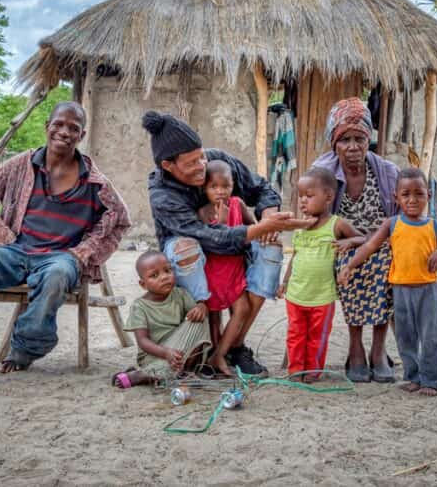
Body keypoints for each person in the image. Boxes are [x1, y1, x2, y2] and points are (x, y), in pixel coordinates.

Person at [0, 102, 130, 391]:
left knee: (56, 276)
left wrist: (83, 253)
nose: (64, 132)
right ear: (47, 126)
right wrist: (2, 237)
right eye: (59, 124)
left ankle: (28, 345)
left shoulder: (94, 181)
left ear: (82, 135)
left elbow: (120, 219)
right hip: (16, 251)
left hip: (59, 258)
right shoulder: (22, 165)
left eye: (73, 128)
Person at [142, 110, 307, 376]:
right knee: (187, 249)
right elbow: (207, 237)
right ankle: (204, 347)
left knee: (271, 246)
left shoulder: (217, 161)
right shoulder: (162, 194)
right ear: (168, 166)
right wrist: (257, 229)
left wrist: (267, 217)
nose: (201, 166)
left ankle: (235, 345)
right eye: (191, 163)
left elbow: (261, 188)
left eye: (201, 157)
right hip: (194, 252)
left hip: (232, 244)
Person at [338, 167, 437, 396]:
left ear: (428, 195)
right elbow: (369, 246)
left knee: (431, 337)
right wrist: (350, 266)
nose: (412, 200)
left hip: (428, 290)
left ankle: (431, 380)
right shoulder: (391, 224)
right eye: (406, 194)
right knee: (405, 337)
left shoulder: (434, 226)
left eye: (419, 193)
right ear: (395, 197)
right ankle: (413, 377)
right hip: (400, 291)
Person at [312, 97, 399, 384]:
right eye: (344, 140)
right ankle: (355, 348)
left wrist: (374, 242)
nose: (352, 147)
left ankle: (378, 349)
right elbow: (313, 218)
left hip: (382, 242)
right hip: (341, 245)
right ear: (333, 143)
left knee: (383, 260)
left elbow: (399, 222)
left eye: (359, 139)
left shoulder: (387, 172)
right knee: (350, 261)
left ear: (368, 140)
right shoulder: (321, 173)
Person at [277, 167, 362, 381]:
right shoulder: (300, 227)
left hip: (322, 297)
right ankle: (295, 370)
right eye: (300, 196)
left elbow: (365, 239)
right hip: (296, 294)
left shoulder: (337, 224)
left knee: (318, 336)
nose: (303, 201)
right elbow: (295, 257)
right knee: (295, 335)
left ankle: (313, 370)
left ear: (328, 197)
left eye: (309, 195)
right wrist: (285, 282)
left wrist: (349, 241)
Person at [112, 251, 211, 388]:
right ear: (143, 284)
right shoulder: (139, 306)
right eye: (154, 275)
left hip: (178, 350)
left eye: (167, 270)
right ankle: (144, 374)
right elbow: (142, 341)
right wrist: (165, 353)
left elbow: (194, 322)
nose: (164, 277)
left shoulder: (180, 294)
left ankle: (179, 371)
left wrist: (201, 307)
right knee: (166, 360)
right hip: (154, 354)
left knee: (199, 319)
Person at [197, 160, 253, 376]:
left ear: (232, 186)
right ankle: (214, 352)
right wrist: (219, 225)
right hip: (213, 272)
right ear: (205, 188)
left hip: (234, 271)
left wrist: (267, 234)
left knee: (242, 309)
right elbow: (204, 241)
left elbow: (253, 228)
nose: (220, 192)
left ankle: (220, 353)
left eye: (225, 186)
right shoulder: (203, 212)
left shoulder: (238, 205)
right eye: (214, 187)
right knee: (214, 315)